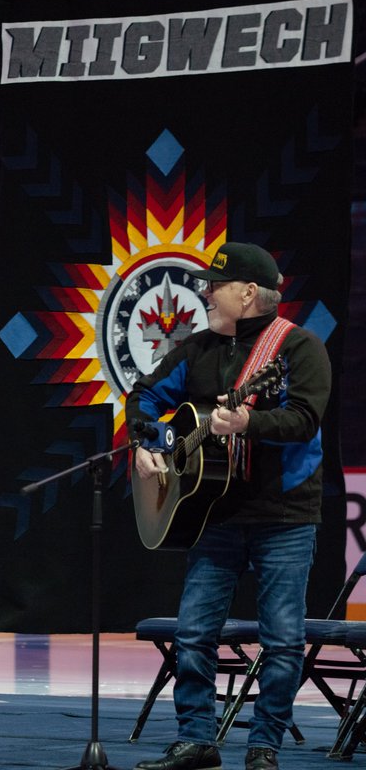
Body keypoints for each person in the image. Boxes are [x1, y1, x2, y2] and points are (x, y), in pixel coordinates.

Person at [127, 243, 330, 770]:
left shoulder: (299, 348)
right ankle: (197, 740)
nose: (205, 293)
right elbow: (144, 395)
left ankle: (264, 745)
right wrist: (145, 443)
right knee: (194, 633)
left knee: (282, 640)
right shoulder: (197, 349)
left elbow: (304, 419)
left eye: (215, 285)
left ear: (248, 292)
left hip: (284, 516)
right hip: (213, 514)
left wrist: (249, 422)